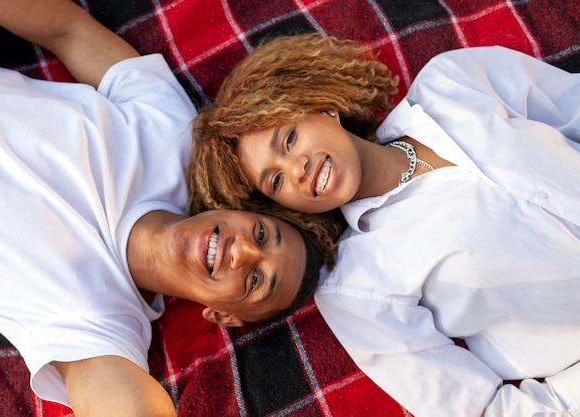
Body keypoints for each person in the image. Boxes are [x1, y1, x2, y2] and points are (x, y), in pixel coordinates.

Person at [0, 2, 323, 417]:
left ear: (223, 315)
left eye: (256, 280)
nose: (242, 251)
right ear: (237, 209)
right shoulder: (179, 137)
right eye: (260, 234)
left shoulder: (99, 325)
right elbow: (69, 30)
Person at [189, 34, 580, 416]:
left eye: (289, 139)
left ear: (324, 107)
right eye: (275, 181)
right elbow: (479, 407)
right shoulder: (357, 286)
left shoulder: (451, 82)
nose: (296, 169)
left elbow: (573, 105)